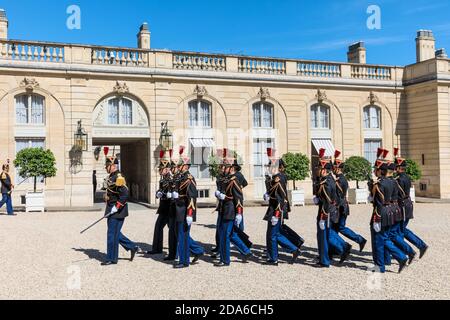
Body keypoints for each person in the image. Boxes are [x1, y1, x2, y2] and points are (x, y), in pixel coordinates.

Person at [369, 149, 408, 273]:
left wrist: (377, 218)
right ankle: (401, 257)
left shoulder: (379, 184)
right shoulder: (393, 182)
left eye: (376, 169)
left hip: (382, 213)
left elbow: (377, 202)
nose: (375, 171)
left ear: (380, 170)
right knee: (384, 238)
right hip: (392, 212)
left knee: (378, 240)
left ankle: (380, 266)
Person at [314, 149, 351, 268]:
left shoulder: (327, 182)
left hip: (327, 212)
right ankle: (325, 256)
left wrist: (322, 216)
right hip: (328, 211)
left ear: (324, 169)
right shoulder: (327, 180)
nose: (318, 170)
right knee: (324, 235)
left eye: (319, 168)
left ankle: (326, 260)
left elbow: (326, 201)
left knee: (324, 236)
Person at [263, 148, 300, 266]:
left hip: (276, 209)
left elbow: (281, 198)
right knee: (274, 234)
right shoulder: (275, 178)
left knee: (273, 235)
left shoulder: (279, 179)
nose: (269, 168)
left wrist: (277, 214)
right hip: (273, 208)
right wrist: (268, 193)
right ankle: (293, 250)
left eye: (271, 166)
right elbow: (273, 193)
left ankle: (274, 258)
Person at [214, 158, 252, 267]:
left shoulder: (233, 180)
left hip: (229, 210)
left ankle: (225, 260)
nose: (223, 169)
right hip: (223, 209)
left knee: (225, 235)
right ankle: (246, 251)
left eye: (225, 167)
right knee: (228, 234)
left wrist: (239, 213)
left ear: (230, 169)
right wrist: (219, 194)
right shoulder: (225, 179)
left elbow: (239, 197)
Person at [101, 156, 139, 266]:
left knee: (111, 234)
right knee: (116, 234)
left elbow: (125, 194)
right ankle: (132, 247)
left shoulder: (118, 177)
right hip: (112, 208)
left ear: (113, 166)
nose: (106, 168)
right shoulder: (111, 176)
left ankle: (111, 258)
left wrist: (117, 206)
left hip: (117, 210)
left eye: (107, 166)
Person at [394, 151, 428, 259]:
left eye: (396, 167)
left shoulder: (399, 180)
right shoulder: (406, 177)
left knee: (399, 230)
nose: (394, 169)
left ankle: (413, 249)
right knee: (401, 229)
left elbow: (397, 195)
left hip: (403, 206)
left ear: (399, 168)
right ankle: (418, 246)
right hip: (407, 204)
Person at [332, 150, 367, 252]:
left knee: (340, 227)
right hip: (339, 207)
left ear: (338, 168)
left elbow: (340, 195)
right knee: (335, 228)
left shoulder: (341, 180)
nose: (332, 169)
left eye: (334, 167)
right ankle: (335, 249)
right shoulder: (338, 179)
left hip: (341, 207)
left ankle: (360, 240)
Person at [173, 156, 204, 268]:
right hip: (179, 209)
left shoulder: (189, 179)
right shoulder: (181, 177)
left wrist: (190, 214)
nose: (177, 167)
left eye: (179, 165)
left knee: (183, 236)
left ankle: (184, 261)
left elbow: (192, 197)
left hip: (184, 211)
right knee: (180, 235)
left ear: (185, 166)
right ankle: (197, 251)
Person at [148, 150, 177, 260]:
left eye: (161, 169)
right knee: (158, 227)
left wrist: (164, 194)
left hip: (169, 208)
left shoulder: (171, 178)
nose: (160, 170)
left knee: (174, 231)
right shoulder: (163, 179)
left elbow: (171, 194)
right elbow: (161, 190)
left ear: (167, 169)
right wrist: (158, 193)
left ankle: (193, 248)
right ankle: (157, 248)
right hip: (163, 208)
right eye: (160, 169)